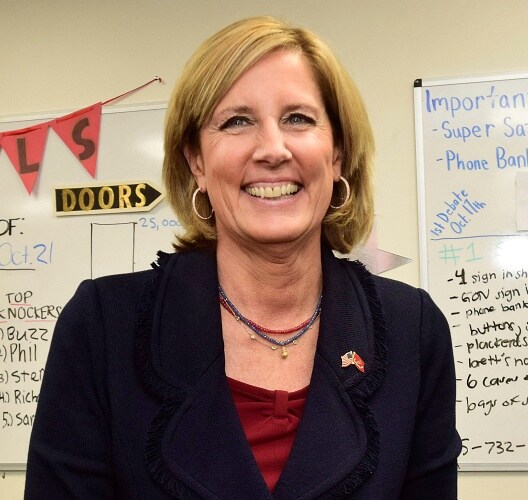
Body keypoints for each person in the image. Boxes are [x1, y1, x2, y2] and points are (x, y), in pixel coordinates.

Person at [25, 16, 461, 499]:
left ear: (337, 153)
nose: (272, 149)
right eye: (237, 121)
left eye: (298, 118)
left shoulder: (412, 329)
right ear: (196, 161)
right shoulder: (102, 326)